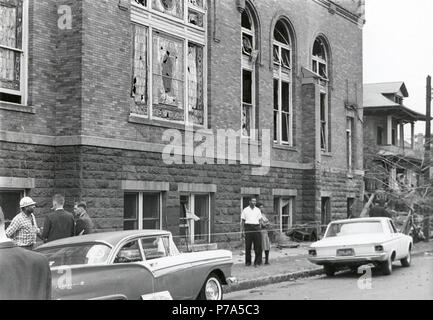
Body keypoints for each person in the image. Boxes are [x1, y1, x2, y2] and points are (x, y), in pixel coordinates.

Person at [0, 206, 51, 300]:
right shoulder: (18, 219)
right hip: (20, 247)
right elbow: (9, 232)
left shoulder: (32, 217)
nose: (33, 207)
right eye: (30, 205)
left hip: (26, 250)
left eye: (33, 205)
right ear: (24, 207)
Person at [241, 198, 263, 267]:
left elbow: (260, 220)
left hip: (256, 228)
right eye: (253, 201)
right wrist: (242, 231)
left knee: (257, 246)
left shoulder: (258, 210)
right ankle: (248, 262)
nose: (254, 202)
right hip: (248, 227)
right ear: (249, 201)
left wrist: (259, 228)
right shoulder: (245, 210)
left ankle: (257, 262)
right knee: (248, 246)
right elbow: (243, 221)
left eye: (255, 201)